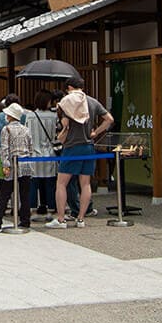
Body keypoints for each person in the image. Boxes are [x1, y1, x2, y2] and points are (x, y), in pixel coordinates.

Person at [46, 76, 114, 229]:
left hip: (71, 146)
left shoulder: (65, 102)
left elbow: (64, 124)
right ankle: (81, 219)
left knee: (62, 183)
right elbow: (109, 119)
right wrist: (96, 132)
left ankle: (61, 219)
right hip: (88, 146)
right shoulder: (92, 101)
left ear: (69, 87)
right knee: (85, 184)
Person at [0, 102, 34, 230]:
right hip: (26, 163)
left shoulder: (6, 129)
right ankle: (25, 220)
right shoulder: (26, 129)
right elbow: (30, 148)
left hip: (12, 164)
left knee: (4, 194)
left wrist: (5, 166)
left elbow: (4, 149)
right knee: (25, 194)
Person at [25, 90, 58, 219]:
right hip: (49, 153)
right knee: (50, 184)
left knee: (33, 184)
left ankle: (33, 211)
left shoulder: (30, 116)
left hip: (34, 153)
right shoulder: (53, 116)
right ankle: (50, 210)